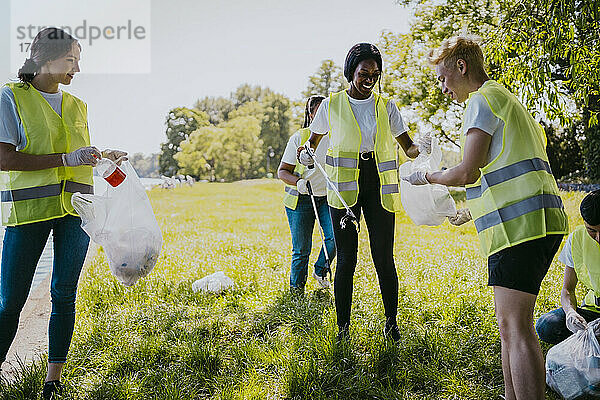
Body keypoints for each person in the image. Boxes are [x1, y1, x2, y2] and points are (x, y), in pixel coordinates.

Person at [403, 35, 569, 400]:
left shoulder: (480, 101)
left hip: (519, 228)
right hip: (531, 224)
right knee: (509, 327)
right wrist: (464, 209)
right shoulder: (501, 98)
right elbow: (494, 166)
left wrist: (425, 176)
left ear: (461, 67)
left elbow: (467, 172)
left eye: (443, 78)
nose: (443, 88)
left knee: (516, 327)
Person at [0, 28, 126, 399]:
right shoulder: (11, 98)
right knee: (11, 302)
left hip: (76, 211)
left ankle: (53, 380)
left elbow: (78, 155)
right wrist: (63, 159)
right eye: (72, 59)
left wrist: (103, 157)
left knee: (64, 293)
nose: (77, 68)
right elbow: (4, 157)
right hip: (29, 212)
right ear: (45, 57)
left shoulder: (78, 105)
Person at [298, 43, 430, 341]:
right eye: (363, 73)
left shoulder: (387, 107)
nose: (369, 78)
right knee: (346, 259)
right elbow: (312, 144)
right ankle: (343, 328)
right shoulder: (331, 105)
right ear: (350, 73)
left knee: (384, 257)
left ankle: (391, 323)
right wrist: (306, 154)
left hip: (379, 187)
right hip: (344, 190)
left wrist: (423, 146)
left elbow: (408, 148)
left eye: (375, 73)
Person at [278, 95, 335, 293]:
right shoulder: (300, 138)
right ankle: (296, 290)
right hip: (301, 200)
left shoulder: (338, 137)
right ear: (311, 116)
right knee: (301, 250)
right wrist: (299, 183)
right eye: (318, 112)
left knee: (335, 237)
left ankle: (320, 270)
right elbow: (282, 171)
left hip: (327, 199)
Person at [536, 190, 600, 344]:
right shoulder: (577, 239)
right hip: (593, 311)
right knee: (546, 325)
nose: (598, 238)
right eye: (592, 230)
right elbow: (567, 290)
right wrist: (570, 312)